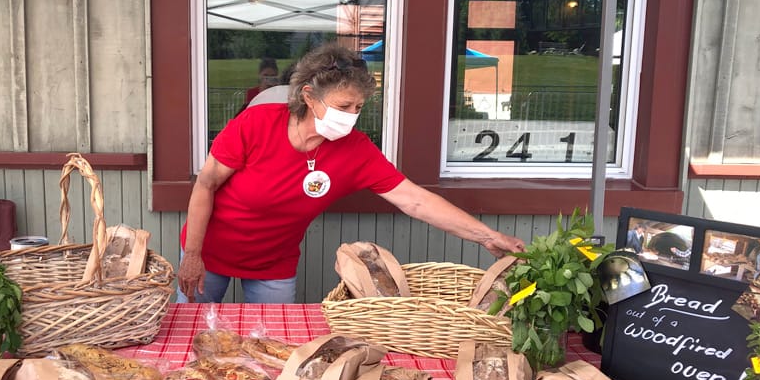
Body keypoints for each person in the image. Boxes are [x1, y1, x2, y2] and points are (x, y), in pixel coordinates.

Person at [177, 42, 525, 304]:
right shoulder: (256, 124)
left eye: (359, 107)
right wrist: (192, 255)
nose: (352, 115)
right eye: (343, 106)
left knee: (271, 343)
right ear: (309, 97)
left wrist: (486, 236)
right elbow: (206, 185)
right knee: (191, 337)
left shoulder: (355, 150)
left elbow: (415, 201)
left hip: (273, 263)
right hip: (208, 250)